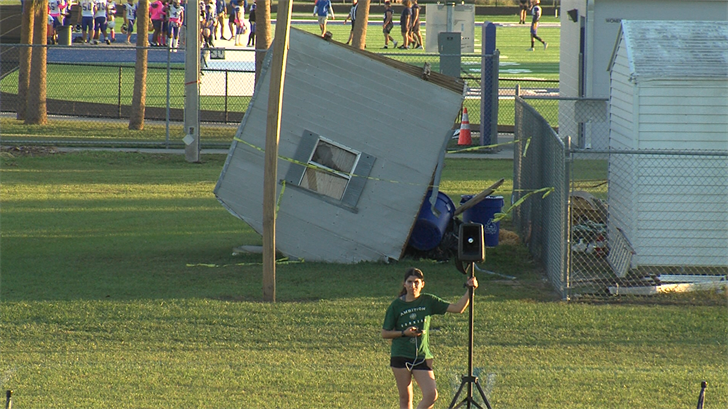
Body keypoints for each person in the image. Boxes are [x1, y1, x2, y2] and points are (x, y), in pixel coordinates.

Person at [382, 267, 478, 409]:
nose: (412, 286)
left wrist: (471, 290)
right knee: (405, 398)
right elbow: (385, 333)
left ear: (422, 284)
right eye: (409, 282)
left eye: (416, 282)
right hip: (401, 355)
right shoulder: (396, 305)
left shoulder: (428, 301)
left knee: (431, 395)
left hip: (421, 355)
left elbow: (458, 308)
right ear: (404, 284)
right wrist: (404, 333)